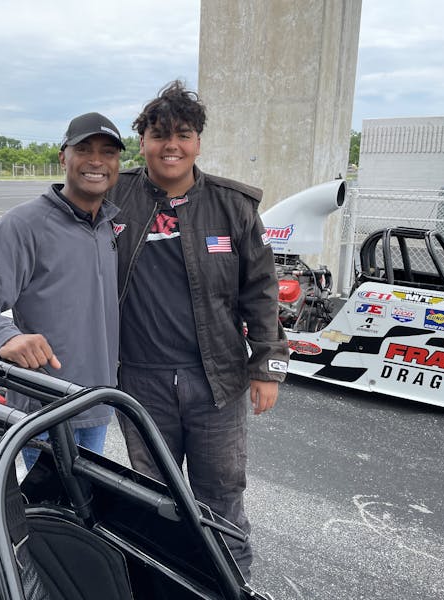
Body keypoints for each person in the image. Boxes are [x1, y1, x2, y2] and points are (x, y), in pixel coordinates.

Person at [107, 81, 289, 580]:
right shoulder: (113, 198)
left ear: (198, 143)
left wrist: (268, 366)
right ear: (142, 141)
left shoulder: (234, 206)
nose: (172, 145)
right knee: (154, 495)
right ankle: (164, 582)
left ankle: (232, 583)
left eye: (183, 135)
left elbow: (261, 290)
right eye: (159, 135)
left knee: (221, 495)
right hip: (139, 382)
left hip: (218, 381)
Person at [0, 112, 124, 468]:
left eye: (108, 152)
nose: (96, 161)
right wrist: (4, 335)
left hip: (96, 404)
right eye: (84, 149)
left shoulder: (107, 225)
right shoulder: (27, 223)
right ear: (63, 157)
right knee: (43, 502)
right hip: (45, 413)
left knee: (86, 502)